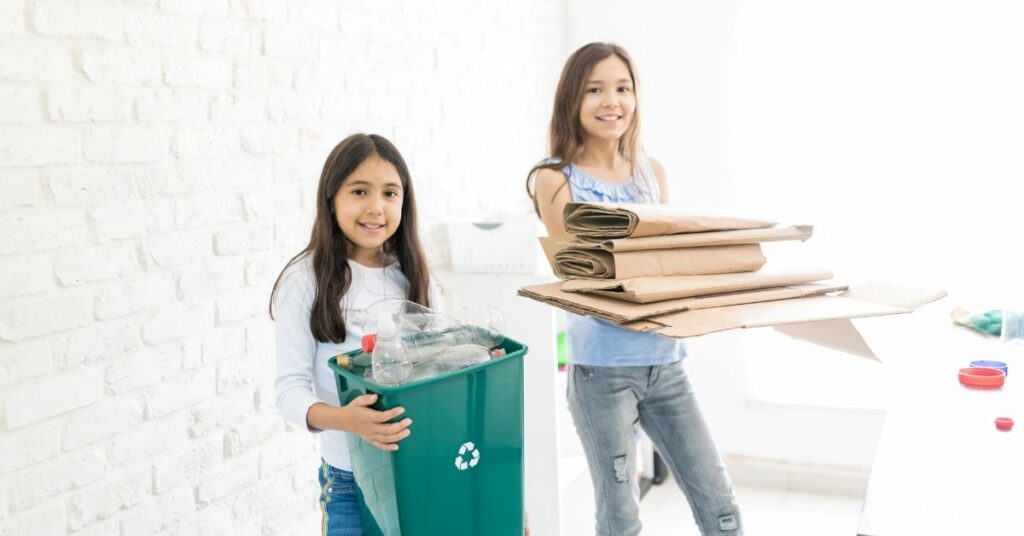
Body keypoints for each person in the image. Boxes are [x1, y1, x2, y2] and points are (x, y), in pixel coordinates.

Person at [526, 42, 743, 536]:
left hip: (666, 364)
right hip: (602, 372)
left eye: (623, 89)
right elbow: (585, 276)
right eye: (596, 89)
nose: (612, 102)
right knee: (620, 516)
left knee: (721, 506)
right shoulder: (553, 180)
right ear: (572, 101)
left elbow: (661, 266)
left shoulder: (652, 173)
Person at [270, 133, 429, 535]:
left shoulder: (412, 276)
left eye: (390, 193)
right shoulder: (305, 280)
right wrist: (347, 420)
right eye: (360, 191)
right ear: (331, 198)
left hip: (417, 469)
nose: (376, 207)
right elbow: (291, 391)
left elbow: (436, 370)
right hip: (349, 481)